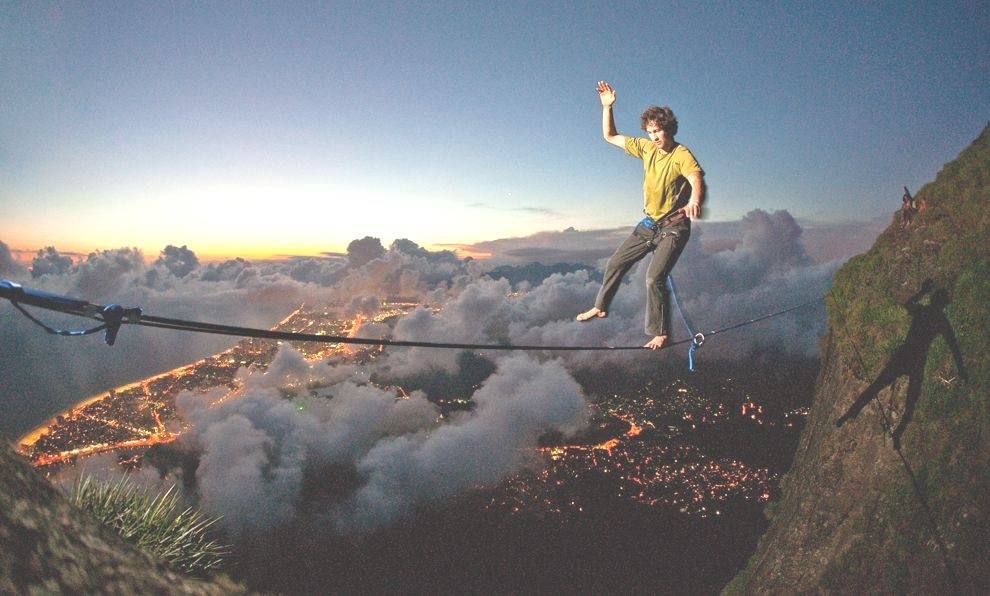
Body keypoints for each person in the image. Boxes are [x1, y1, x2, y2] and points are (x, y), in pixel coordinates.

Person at [576, 81, 705, 350]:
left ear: (668, 129)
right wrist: (607, 107)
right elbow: (610, 136)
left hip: (674, 227)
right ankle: (600, 307)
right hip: (649, 225)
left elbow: (694, 176)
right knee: (615, 263)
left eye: (658, 131)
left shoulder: (681, 154)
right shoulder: (647, 148)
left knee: (653, 278)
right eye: (650, 132)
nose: (654, 137)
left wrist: (694, 199)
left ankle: (660, 332)